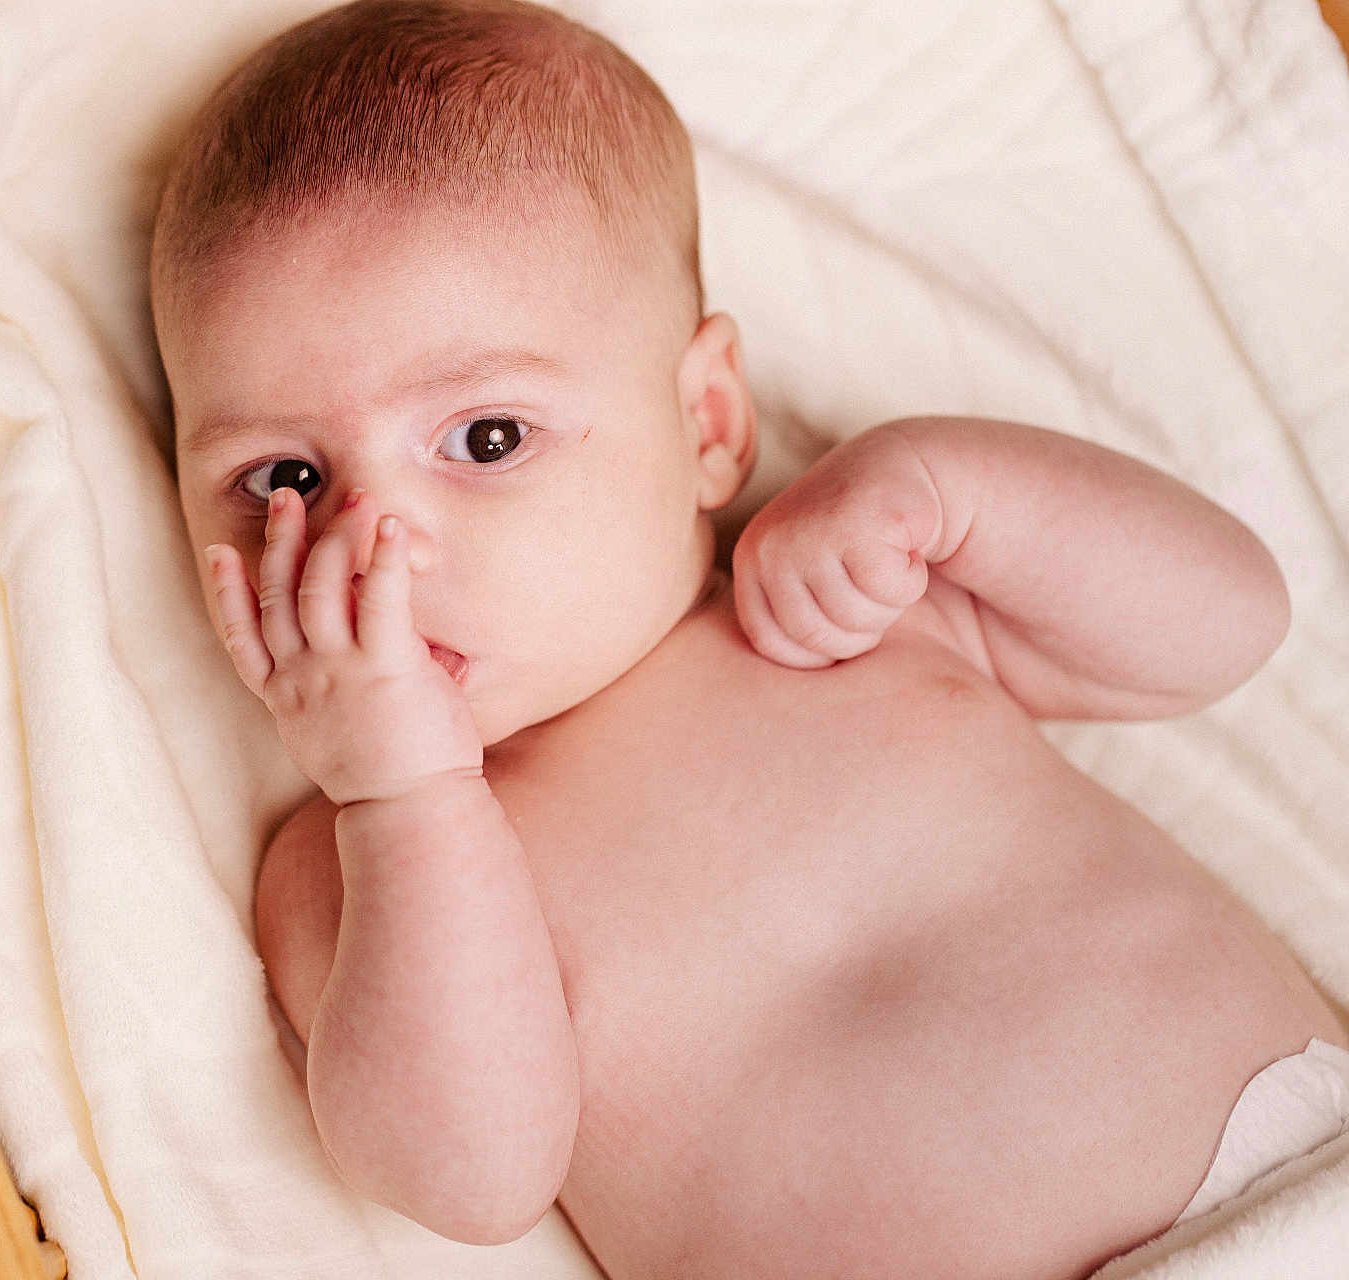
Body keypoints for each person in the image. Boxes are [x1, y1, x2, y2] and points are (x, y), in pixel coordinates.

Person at [147, 2, 1349, 1275]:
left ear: (710, 422)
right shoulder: (352, 863)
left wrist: (955, 489)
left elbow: (1230, 625)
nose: (377, 544)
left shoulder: (845, 611)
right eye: (282, 473)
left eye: (487, 438)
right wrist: (406, 791)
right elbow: (473, 1177)